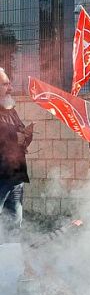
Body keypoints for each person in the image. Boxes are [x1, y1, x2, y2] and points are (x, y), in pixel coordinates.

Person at [0, 67, 32, 229]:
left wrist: (27, 135)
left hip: (15, 177)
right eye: (5, 84)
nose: (10, 88)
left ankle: (11, 254)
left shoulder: (11, 111)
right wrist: (15, 136)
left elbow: (20, 131)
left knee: (14, 224)